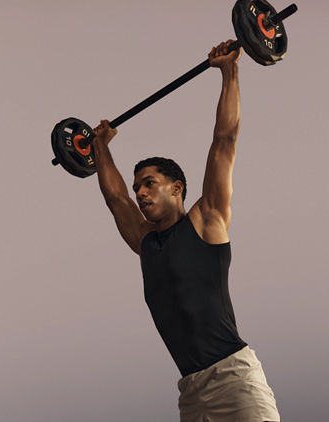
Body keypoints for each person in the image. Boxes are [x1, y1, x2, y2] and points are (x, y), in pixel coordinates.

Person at [91, 40, 280, 422]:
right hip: (191, 391)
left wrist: (229, 71)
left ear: (176, 187)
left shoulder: (207, 219)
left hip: (234, 381)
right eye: (138, 187)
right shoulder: (146, 243)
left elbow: (224, 140)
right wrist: (99, 148)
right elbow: (115, 199)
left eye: (149, 183)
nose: (140, 193)